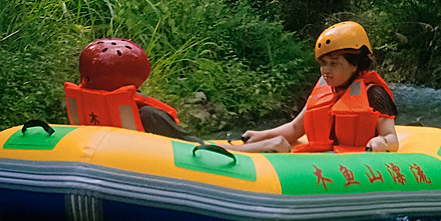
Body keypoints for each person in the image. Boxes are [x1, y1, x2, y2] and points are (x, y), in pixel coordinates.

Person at [69, 38, 288, 153]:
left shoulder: (82, 106)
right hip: (159, 156)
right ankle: (260, 145)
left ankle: (259, 143)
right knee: (194, 142)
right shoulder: (148, 116)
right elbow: (194, 147)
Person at [241, 21, 398, 153]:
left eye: (334, 64)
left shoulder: (375, 94)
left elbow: (392, 138)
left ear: (355, 65)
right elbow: (295, 128)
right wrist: (261, 135)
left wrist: (381, 142)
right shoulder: (324, 89)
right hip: (320, 160)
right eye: (323, 64)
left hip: (354, 162)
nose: (325, 71)